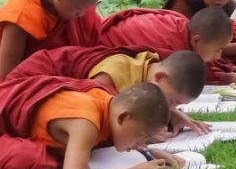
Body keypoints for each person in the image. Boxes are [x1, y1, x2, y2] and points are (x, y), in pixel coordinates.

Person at [0, 77, 177, 169]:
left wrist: (151, 153)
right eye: (142, 136)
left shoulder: (108, 102)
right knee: (37, 161)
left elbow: (112, 136)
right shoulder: (86, 123)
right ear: (123, 117)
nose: (141, 144)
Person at [8, 46, 211, 135]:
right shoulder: (117, 72)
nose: (170, 107)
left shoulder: (150, 71)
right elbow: (97, 107)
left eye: (177, 105)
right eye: (173, 101)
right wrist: (146, 132)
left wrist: (171, 116)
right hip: (30, 85)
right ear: (160, 77)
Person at [100, 6, 236, 87]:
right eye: (217, 50)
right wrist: (226, 77)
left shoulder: (183, 24)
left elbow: (200, 60)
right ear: (196, 40)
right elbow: (184, 73)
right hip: (105, 48)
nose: (219, 56)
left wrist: (226, 71)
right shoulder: (174, 47)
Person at [0, 0, 102, 79]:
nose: (82, 14)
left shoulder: (68, 3)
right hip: (34, 83)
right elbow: (6, 76)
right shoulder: (21, 17)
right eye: (80, 9)